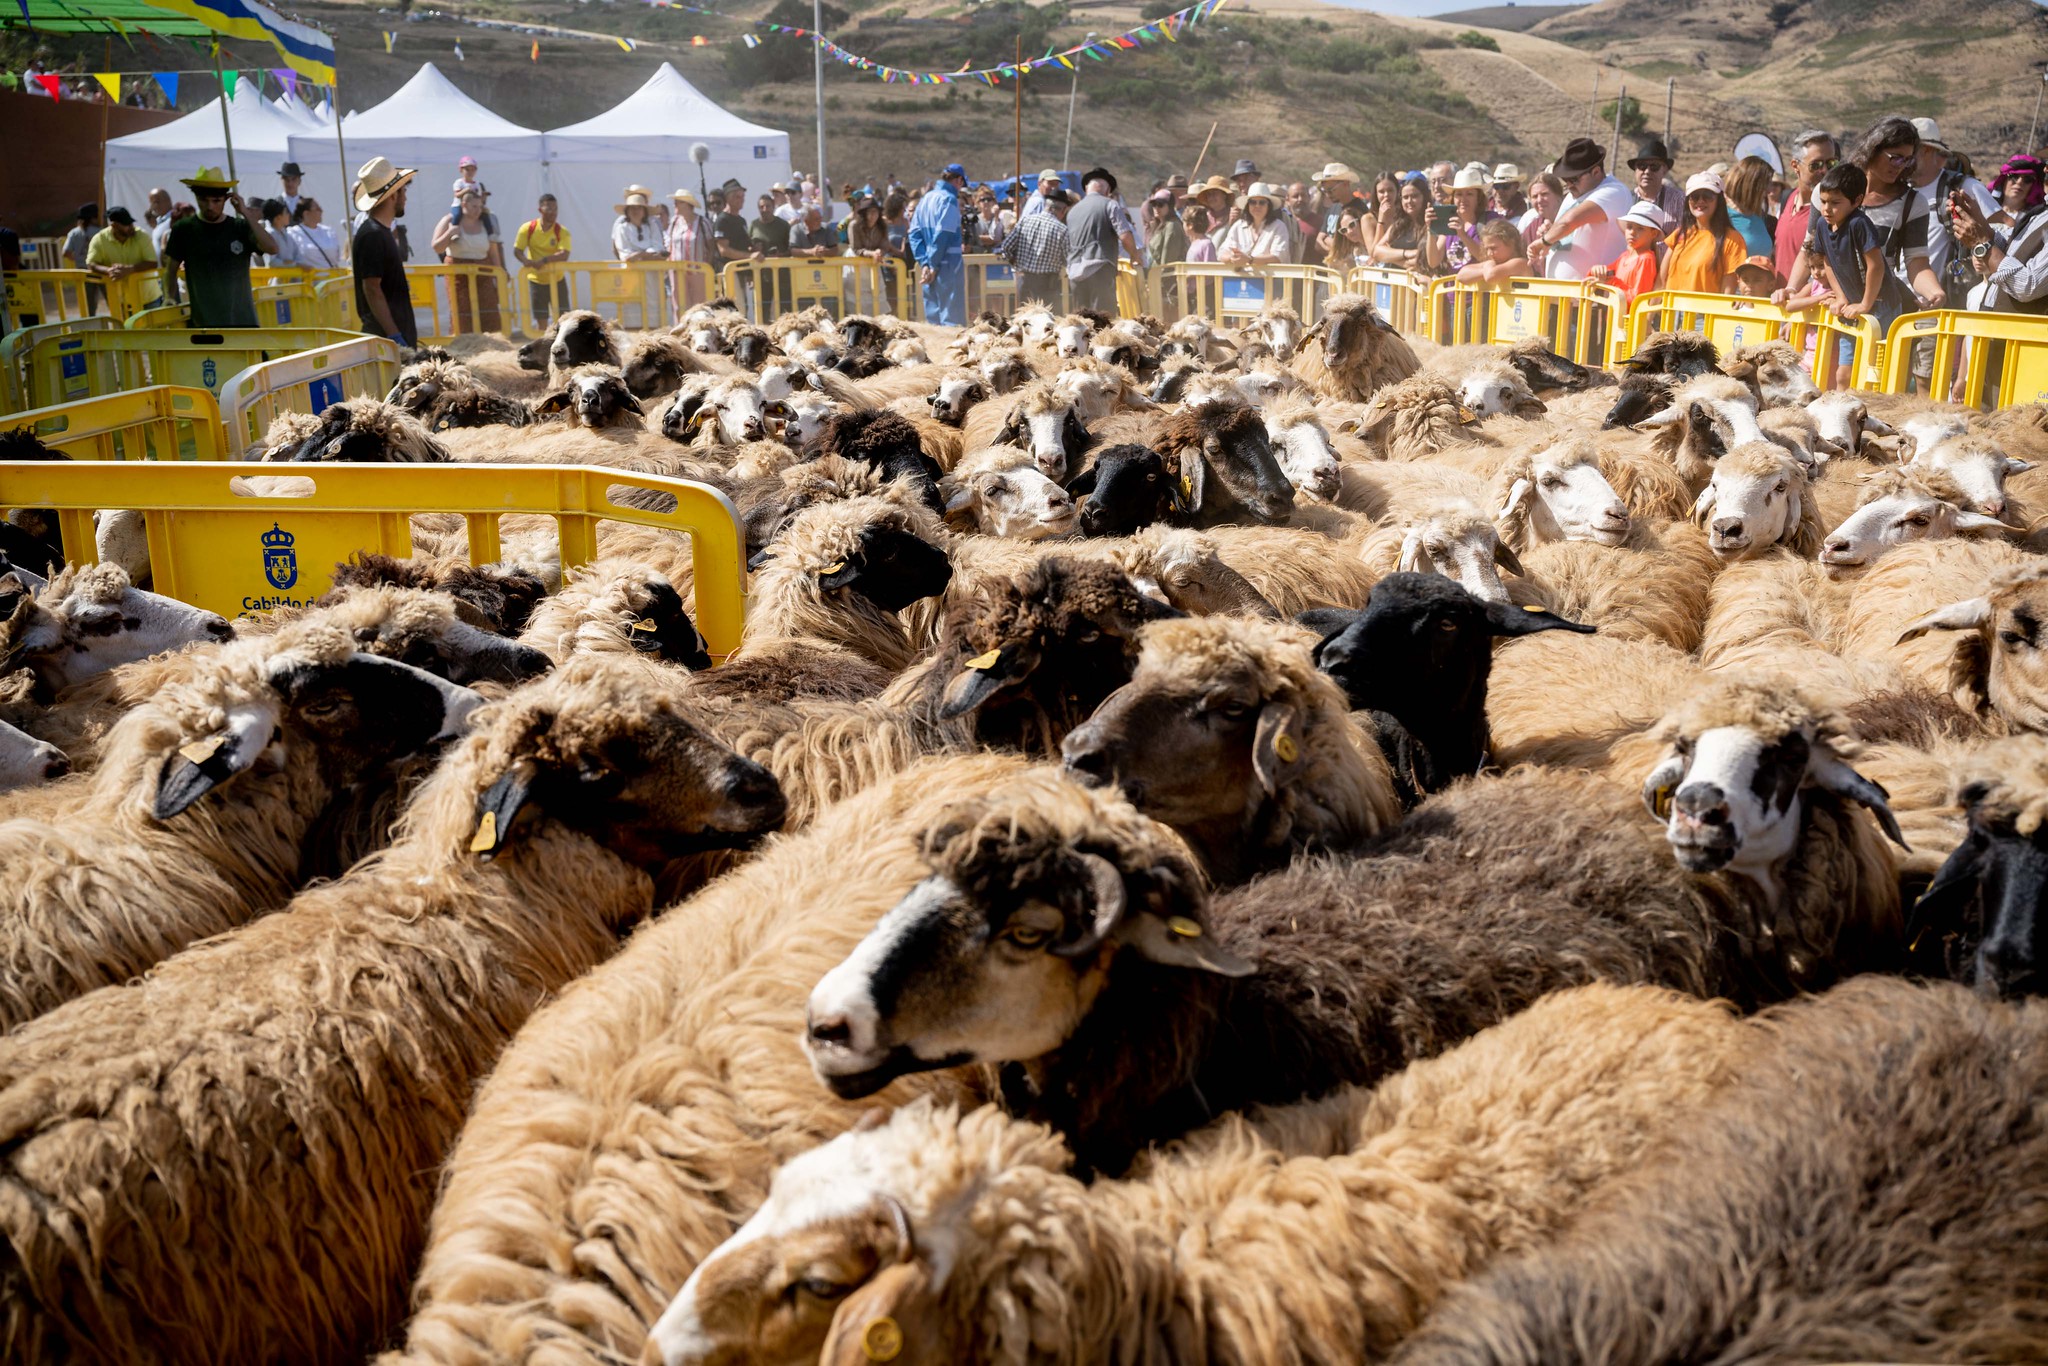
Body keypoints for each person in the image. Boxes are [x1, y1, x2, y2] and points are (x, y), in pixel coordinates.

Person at [1847, 116, 1944, 313]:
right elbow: (1810, 250)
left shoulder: (1913, 203)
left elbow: (1917, 262)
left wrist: (1934, 291)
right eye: (1895, 157)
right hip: (1828, 304)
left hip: (1878, 309)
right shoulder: (1833, 190)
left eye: (1907, 160)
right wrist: (1792, 290)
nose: (1900, 165)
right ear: (1873, 149)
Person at [161, 167, 274, 328]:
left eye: (216, 201)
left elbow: (272, 248)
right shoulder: (184, 229)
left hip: (243, 321)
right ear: (196, 198)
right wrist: (168, 297)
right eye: (203, 200)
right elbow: (170, 269)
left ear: (226, 199)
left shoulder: (240, 226)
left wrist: (245, 213)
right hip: (204, 325)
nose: (210, 206)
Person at [1912, 117, 1998, 310]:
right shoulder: (1901, 190)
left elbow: (2004, 228)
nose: (1901, 157)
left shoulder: (1965, 187)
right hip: (1900, 305)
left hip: (1937, 308)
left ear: (1925, 150)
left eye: (1907, 149)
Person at [1531, 138, 1633, 282]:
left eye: (1574, 179)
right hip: (1564, 296)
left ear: (1596, 172)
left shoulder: (1614, 191)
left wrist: (1545, 241)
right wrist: (1550, 233)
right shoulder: (1576, 193)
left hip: (1594, 296)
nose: (1569, 185)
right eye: (1565, 180)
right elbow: (1564, 226)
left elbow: (1569, 221)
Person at [349, 156, 418, 349]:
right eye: (403, 191)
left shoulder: (380, 232)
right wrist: (393, 334)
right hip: (385, 341)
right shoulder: (372, 235)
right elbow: (372, 288)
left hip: (391, 336)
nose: (405, 197)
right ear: (393, 195)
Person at [1658, 171, 1747, 293]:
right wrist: (1650, 312)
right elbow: (1661, 283)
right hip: (1671, 311)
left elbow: (1727, 293)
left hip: (1706, 311)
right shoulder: (1679, 235)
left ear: (1719, 200)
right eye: (1694, 196)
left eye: (1707, 196)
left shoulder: (1733, 240)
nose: (1700, 201)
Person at [432, 186, 502, 334]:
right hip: (458, 274)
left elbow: (493, 251)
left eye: (480, 206)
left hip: (484, 273)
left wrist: (499, 273)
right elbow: (437, 247)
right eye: (474, 206)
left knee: (488, 310)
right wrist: (450, 233)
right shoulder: (450, 220)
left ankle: (493, 344)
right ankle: (464, 344)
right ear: (464, 205)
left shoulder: (485, 223)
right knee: (462, 312)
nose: (478, 210)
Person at [907, 163, 967, 324]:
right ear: (959, 180)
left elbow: (914, 233)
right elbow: (943, 234)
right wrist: (933, 264)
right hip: (948, 266)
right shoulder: (949, 199)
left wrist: (924, 263)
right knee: (951, 320)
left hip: (928, 267)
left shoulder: (926, 198)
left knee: (933, 320)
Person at [1774, 130, 1838, 278]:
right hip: (1781, 298)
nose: (1825, 170)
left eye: (1831, 163)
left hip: (1814, 299)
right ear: (1795, 166)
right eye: (1816, 165)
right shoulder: (1787, 199)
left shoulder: (1833, 211)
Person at [1586, 201, 1669, 307]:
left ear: (1653, 234)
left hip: (1630, 322)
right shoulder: (1624, 257)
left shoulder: (1646, 259)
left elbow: (1638, 300)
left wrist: (1610, 281)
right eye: (1629, 227)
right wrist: (1595, 270)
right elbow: (1604, 273)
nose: (1632, 232)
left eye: (1640, 228)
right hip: (1615, 319)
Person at [1000, 185, 1070, 306]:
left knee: (1024, 319)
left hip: (1023, 279)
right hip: (1047, 284)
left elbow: (1006, 246)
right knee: (1046, 320)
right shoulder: (1062, 230)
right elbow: (1068, 259)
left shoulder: (1025, 220)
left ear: (1046, 206)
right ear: (1063, 210)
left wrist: (1015, 263)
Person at [1065, 173, 1123, 314]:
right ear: (1107, 189)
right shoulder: (1110, 205)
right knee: (1103, 317)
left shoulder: (1072, 211)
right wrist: (1135, 255)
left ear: (1086, 188)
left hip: (1075, 270)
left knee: (1081, 318)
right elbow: (1125, 234)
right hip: (1100, 267)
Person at [84, 206, 160, 313]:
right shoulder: (99, 239)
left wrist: (129, 269)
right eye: (126, 224)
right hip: (121, 302)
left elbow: (152, 263)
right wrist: (109, 271)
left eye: (131, 223)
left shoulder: (142, 235)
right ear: (114, 225)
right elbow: (91, 264)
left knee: (153, 330)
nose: (131, 226)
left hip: (148, 299)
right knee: (126, 330)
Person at [513, 193, 572, 329]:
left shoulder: (562, 231)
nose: (553, 212)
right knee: (541, 319)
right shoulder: (528, 228)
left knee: (564, 319)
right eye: (549, 208)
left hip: (557, 279)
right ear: (540, 209)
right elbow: (517, 250)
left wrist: (543, 261)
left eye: (555, 209)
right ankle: (545, 345)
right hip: (536, 280)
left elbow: (565, 254)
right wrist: (526, 261)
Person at [1428, 166, 1502, 274]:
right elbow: (1433, 262)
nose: (1463, 199)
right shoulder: (1449, 222)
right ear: (1453, 198)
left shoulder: (1491, 220)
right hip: (1454, 290)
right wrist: (1430, 229)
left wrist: (1463, 235)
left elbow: (1490, 259)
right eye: (1459, 194)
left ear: (1479, 198)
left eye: (1469, 194)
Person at [665, 190, 717, 320]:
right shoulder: (674, 222)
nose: (675, 205)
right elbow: (668, 243)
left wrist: (707, 266)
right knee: (679, 305)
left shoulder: (702, 222)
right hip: (677, 271)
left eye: (678, 202)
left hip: (698, 271)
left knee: (700, 305)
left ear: (688, 204)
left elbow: (711, 246)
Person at [1220, 183, 1291, 266]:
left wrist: (1250, 259)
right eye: (1253, 202)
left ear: (1269, 206)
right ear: (1248, 205)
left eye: (1262, 202)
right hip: (1241, 278)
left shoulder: (1279, 226)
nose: (1257, 206)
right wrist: (1232, 257)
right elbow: (1222, 253)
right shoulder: (1238, 226)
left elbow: (1278, 257)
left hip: (1269, 278)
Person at [1722, 157, 1778, 258]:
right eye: (1766, 183)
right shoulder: (1721, 217)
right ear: (1751, 185)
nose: (1770, 190)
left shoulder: (1763, 219)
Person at [1371, 175, 1430, 270]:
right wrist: (1406, 253)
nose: (1409, 201)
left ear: (1424, 197)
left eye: (1414, 196)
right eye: (1405, 197)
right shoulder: (1398, 225)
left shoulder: (1431, 225)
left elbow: (1423, 261)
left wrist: (1390, 256)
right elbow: (1377, 252)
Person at [1453, 218, 1529, 287]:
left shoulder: (1521, 263)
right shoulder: (1493, 265)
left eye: (1493, 248)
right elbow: (1461, 276)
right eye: (1487, 249)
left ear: (1511, 243)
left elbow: (1491, 276)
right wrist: (1486, 269)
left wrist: (1488, 265)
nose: (1489, 253)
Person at [1626, 139, 1685, 224]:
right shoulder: (1625, 199)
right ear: (1635, 169)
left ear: (1664, 170)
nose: (1647, 171)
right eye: (1642, 166)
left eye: (1654, 166)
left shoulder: (1679, 201)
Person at [1988, 154, 2046, 232]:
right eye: (2014, 176)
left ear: (2033, 187)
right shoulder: (1984, 207)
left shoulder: (2035, 219)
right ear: (2004, 180)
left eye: (2028, 179)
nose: (2019, 182)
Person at [287, 198, 344, 270]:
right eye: (317, 209)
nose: (321, 211)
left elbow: (337, 258)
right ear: (306, 213)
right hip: (309, 279)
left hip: (330, 278)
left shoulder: (329, 231)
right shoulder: (293, 233)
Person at [63, 203, 100, 311]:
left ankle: (90, 326)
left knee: (89, 305)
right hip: (100, 270)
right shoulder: (100, 231)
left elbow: (65, 252)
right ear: (94, 218)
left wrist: (79, 259)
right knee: (111, 300)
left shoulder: (74, 233)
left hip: (83, 272)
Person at [612, 189, 664, 263]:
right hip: (631, 271)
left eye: (639, 208)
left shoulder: (652, 225)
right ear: (627, 211)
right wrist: (645, 255)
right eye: (632, 208)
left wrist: (642, 255)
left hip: (651, 270)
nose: (635, 211)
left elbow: (658, 246)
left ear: (644, 211)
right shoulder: (622, 228)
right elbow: (625, 254)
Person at [1517, 170, 1564, 249]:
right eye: (1535, 196)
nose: (1539, 200)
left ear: (1558, 196)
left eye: (1544, 194)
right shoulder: (1533, 227)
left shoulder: (1572, 219)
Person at [1146, 188, 1189, 269]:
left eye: (1160, 204)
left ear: (1169, 206)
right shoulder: (1159, 225)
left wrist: (1161, 279)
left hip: (1165, 279)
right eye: (1154, 204)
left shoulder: (1172, 226)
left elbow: (1168, 262)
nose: (1156, 208)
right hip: (1155, 275)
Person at [259, 198, 301, 268]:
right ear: (277, 218)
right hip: (276, 278)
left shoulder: (286, 234)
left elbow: (297, 254)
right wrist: (294, 264)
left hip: (292, 276)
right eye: (286, 213)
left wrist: (296, 263)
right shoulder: (268, 235)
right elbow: (271, 262)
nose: (289, 215)